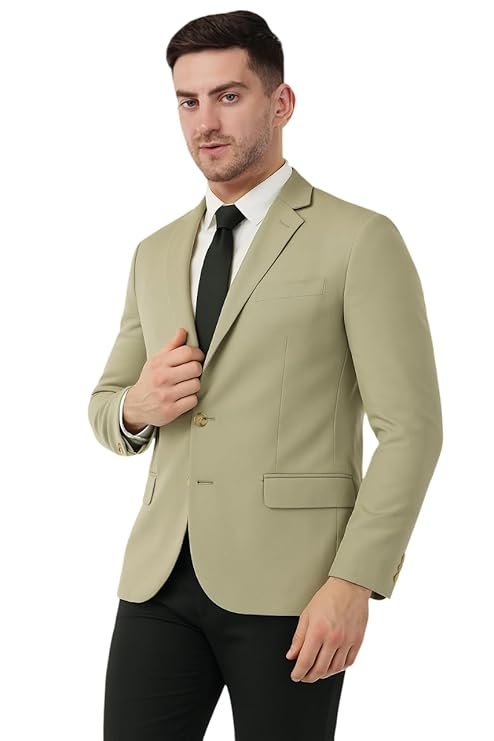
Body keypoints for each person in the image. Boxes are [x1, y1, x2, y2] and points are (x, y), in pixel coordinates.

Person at [88, 9, 443, 740]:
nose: (205, 123)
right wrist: (137, 407)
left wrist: (353, 580)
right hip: (159, 581)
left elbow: (412, 430)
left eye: (228, 95)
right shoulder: (156, 251)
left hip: (295, 590)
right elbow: (107, 404)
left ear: (280, 102)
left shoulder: (359, 239)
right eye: (188, 101)